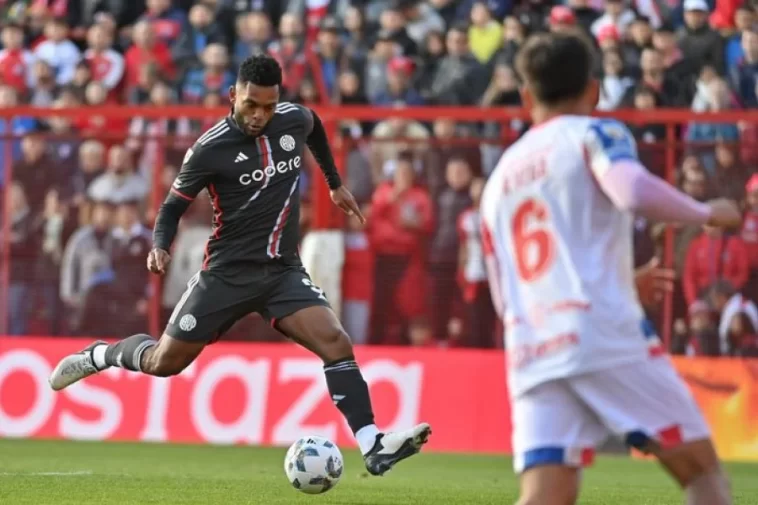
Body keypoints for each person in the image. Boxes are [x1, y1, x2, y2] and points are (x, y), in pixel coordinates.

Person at [48, 54, 430, 476]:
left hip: (282, 272)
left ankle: (372, 444)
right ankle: (100, 355)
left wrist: (334, 184)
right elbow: (172, 207)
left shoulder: (292, 120)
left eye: (268, 106)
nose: (260, 115)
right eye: (251, 105)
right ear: (233, 96)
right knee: (164, 362)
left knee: (336, 342)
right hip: (226, 275)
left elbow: (316, 126)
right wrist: (160, 245)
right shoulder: (209, 149)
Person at [479, 32, 739, 505]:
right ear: (593, 91)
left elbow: (505, 292)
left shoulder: (499, 178)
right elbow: (631, 190)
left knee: (546, 495)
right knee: (703, 474)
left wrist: (620, 284)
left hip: (532, 345)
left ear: (526, 96)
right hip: (600, 333)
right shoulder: (595, 133)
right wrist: (706, 213)